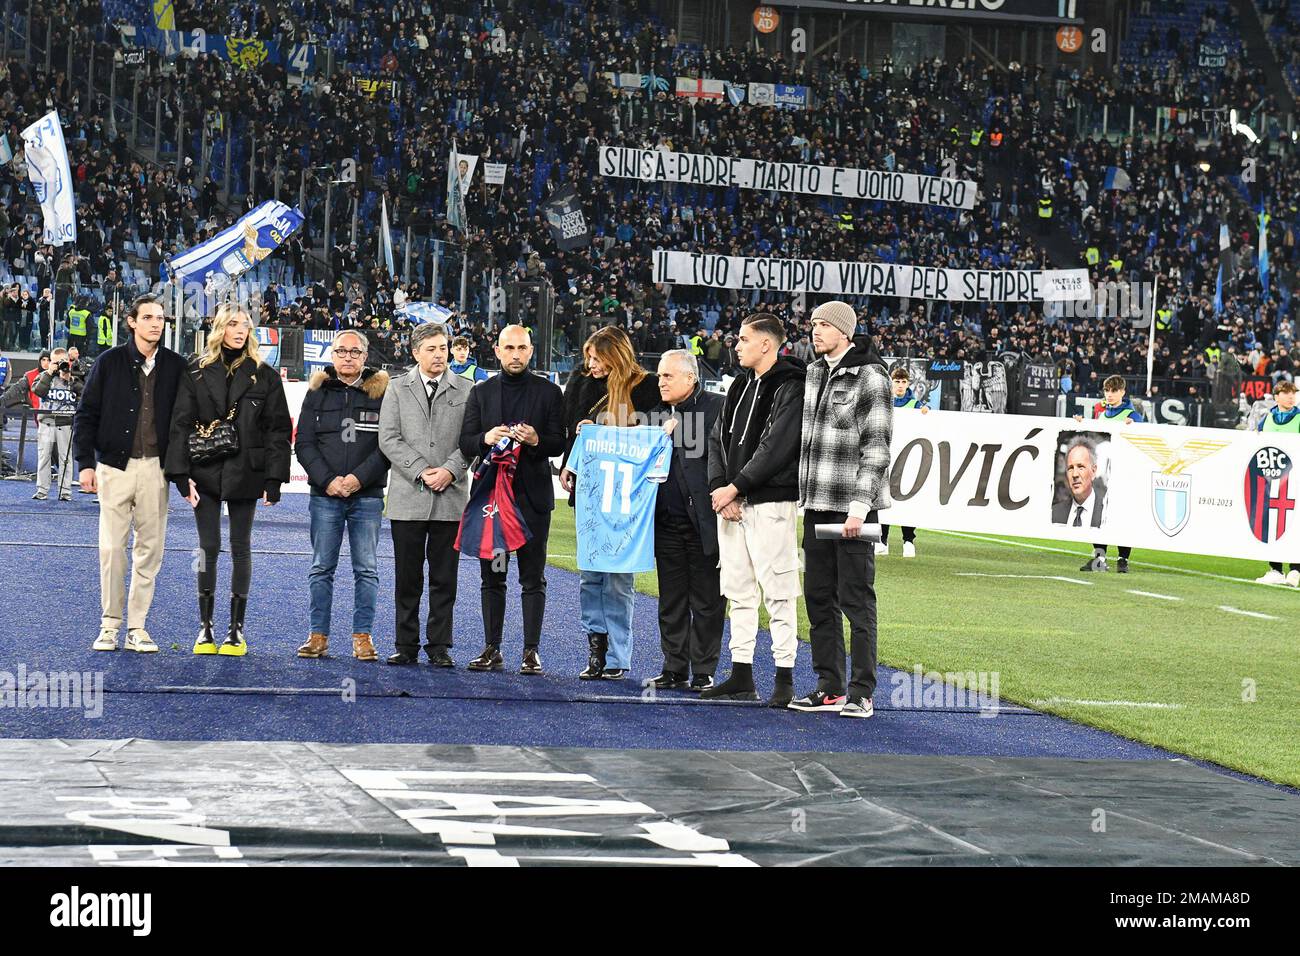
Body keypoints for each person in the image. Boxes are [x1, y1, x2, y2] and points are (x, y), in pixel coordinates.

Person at [165, 305, 292, 656]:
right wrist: (179, 475)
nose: (241, 330)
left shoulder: (264, 375)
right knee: (207, 547)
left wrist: (274, 478)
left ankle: (236, 631)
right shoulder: (196, 370)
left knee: (240, 547)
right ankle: (205, 628)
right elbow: (180, 422)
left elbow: (278, 429)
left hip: (246, 470)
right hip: (204, 471)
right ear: (219, 327)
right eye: (233, 324)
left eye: (246, 325)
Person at [793, 300, 893, 718]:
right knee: (818, 598)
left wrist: (859, 507)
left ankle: (862, 691)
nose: (814, 331)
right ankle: (829, 686)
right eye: (812, 324)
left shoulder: (871, 377)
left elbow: (877, 447)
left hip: (853, 508)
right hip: (817, 503)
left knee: (856, 600)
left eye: (823, 325)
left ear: (845, 332)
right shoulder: (815, 372)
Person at [702, 313, 806, 706]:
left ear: (767, 343)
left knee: (778, 591)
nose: (737, 345)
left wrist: (734, 487)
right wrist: (719, 488)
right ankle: (741, 674)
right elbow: (717, 438)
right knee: (738, 590)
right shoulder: (741, 384)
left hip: (770, 503)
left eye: (744, 339)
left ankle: (784, 679)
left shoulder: (791, 386)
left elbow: (777, 446)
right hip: (733, 504)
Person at [73, 294, 186, 653]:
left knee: (150, 551)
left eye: (161, 318)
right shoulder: (108, 363)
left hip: (156, 469)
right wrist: (85, 464)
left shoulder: (176, 366)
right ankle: (110, 625)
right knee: (111, 549)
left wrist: (182, 471)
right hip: (113, 468)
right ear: (132, 322)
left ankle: (137, 627)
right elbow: (86, 414)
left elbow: (185, 423)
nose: (157, 323)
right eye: (149, 317)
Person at [458, 325, 564, 674]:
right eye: (509, 347)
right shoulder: (482, 392)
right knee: (493, 577)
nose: (516, 354)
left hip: (531, 500)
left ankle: (531, 651)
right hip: (493, 500)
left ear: (531, 351)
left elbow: (559, 443)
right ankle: (492, 648)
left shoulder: (549, 393)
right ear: (498, 351)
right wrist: (486, 438)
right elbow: (466, 442)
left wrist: (536, 440)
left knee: (532, 578)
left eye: (522, 348)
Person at [559, 325, 662, 680]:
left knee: (619, 580)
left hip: (628, 500)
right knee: (590, 576)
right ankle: (596, 652)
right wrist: (570, 458)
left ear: (615, 355)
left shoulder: (646, 388)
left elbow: (657, 438)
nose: (591, 364)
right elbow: (568, 432)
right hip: (589, 495)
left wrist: (611, 430)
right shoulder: (583, 384)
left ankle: (619, 656)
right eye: (587, 357)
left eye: (597, 357)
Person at [378, 322, 472, 666]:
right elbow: (388, 437)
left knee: (445, 579)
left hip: (451, 498)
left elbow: (471, 441)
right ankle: (405, 645)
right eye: (431, 349)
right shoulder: (397, 388)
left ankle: (439, 647)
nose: (439, 355)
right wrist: (420, 469)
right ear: (415, 352)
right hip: (408, 499)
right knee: (407, 578)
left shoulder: (467, 388)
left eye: (443, 348)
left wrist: (449, 470)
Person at [295, 330, 392, 661]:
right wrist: (328, 481)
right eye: (341, 351)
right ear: (332, 355)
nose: (348, 357)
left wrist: (356, 479)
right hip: (325, 496)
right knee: (321, 567)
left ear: (365, 356)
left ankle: (362, 637)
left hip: (367, 496)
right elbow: (303, 444)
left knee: (366, 569)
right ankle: (318, 636)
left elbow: (388, 445)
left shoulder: (383, 393)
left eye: (355, 352)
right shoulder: (316, 392)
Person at [648, 349, 725, 692]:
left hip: (705, 523)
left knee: (708, 600)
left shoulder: (718, 409)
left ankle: (704, 670)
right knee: (671, 599)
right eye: (660, 375)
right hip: (665, 523)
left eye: (667, 376)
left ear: (690, 378)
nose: (660, 381)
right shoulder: (651, 415)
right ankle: (674, 667)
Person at [1074, 375, 1143, 572]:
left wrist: (1136, 428)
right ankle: (1099, 559)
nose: (1110, 395)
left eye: (1114, 391)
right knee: (1097, 515)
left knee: (1122, 515)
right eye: (1107, 391)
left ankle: (1123, 559)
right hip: (1102, 473)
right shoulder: (1101, 414)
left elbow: (1144, 439)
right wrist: (1081, 423)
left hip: (1124, 473)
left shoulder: (1132, 415)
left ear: (1122, 392)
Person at [878, 366, 928, 558]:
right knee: (884, 498)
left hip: (908, 459)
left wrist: (925, 411)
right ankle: (883, 540)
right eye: (897, 381)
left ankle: (908, 540)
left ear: (908, 384)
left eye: (903, 382)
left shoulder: (915, 405)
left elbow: (927, 419)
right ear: (891, 382)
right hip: (886, 457)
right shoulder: (884, 402)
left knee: (907, 499)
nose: (900, 385)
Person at [1254, 380, 1299, 586]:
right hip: (1272, 482)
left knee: (1294, 523)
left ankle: (1296, 569)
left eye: (1293, 393)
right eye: (1287, 393)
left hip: (1295, 482)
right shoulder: (1268, 418)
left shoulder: (1298, 417)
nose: (1291, 397)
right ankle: (1276, 568)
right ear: (1277, 396)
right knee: (1272, 523)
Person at [31, 348, 82, 501]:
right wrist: (48, 374)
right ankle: (42, 491)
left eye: (62, 362)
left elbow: (85, 393)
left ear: (68, 361)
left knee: (65, 458)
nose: (59, 365)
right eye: (55, 362)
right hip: (46, 422)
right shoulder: (42, 376)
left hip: (65, 423)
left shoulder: (74, 379)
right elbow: (38, 391)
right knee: (44, 457)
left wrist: (69, 379)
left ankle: (65, 492)